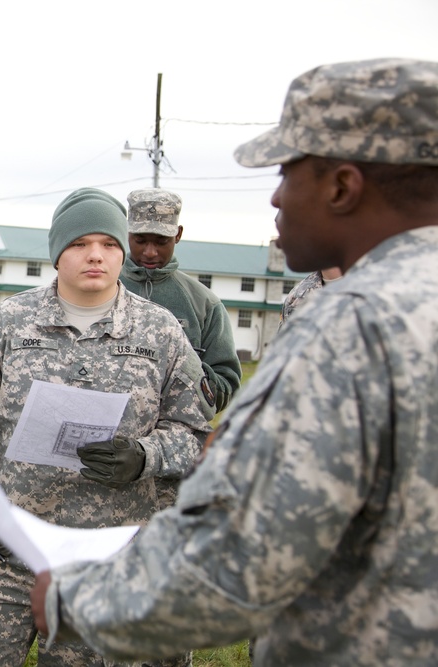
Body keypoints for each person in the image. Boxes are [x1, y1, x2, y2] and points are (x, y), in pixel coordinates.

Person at [30, 58, 438, 666]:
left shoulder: (354, 324)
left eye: (285, 172)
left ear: (342, 187)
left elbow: (248, 555)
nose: (275, 197)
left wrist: (75, 600)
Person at [0, 187, 212, 666]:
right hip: (9, 546)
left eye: (109, 244)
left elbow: (196, 435)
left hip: (113, 553)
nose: (96, 255)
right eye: (80, 244)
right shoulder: (9, 324)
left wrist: (146, 456)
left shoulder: (161, 332)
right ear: (57, 253)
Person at [120, 188, 241, 415]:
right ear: (127, 233)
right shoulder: (100, 288)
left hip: (175, 439)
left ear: (178, 234)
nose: (150, 252)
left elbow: (227, 385)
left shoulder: (205, 304)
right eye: (140, 240)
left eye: (161, 241)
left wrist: (184, 370)